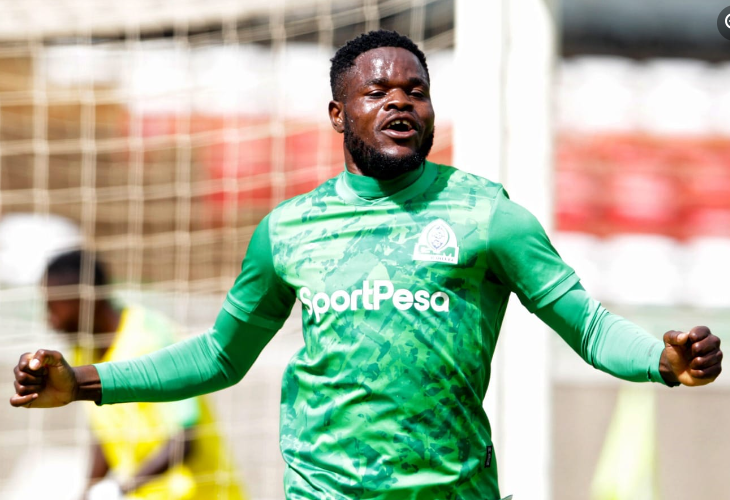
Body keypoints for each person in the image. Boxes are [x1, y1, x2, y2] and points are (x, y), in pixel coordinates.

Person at [10, 30, 722, 500]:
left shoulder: (487, 215)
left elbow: (590, 328)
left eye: (415, 90)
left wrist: (662, 361)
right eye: (378, 92)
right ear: (338, 113)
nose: (400, 102)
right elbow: (220, 357)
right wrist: (82, 384)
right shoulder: (288, 230)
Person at [37, 250, 246, 500]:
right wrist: (88, 491)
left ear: (84, 298)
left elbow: (184, 439)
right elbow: (106, 434)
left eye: (54, 307)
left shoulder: (149, 338)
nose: (52, 321)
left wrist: (120, 488)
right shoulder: (82, 354)